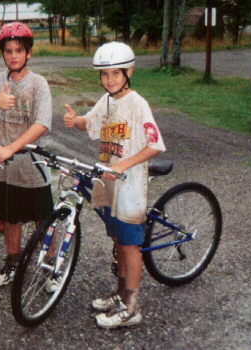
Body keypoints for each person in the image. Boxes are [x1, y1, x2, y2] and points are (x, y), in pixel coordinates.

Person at [63, 41, 166, 328]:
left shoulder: (137, 104)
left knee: (131, 244)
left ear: (129, 72)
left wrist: (122, 165)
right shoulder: (107, 100)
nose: (110, 80)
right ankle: (121, 294)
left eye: (116, 74)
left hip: (129, 183)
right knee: (117, 238)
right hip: (108, 181)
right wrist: (76, 121)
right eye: (105, 74)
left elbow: (155, 144)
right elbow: (91, 123)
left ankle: (131, 306)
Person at [0, 22, 53, 287]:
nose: (14, 55)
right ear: (3, 54)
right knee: (9, 218)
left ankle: (49, 267)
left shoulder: (38, 84)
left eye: (19, 50)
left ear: (29, 53)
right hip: (1, 163)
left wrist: (12, 147)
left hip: (30, 162)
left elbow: (41, 124)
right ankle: (12, 262)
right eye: (8, 51)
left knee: (42, 218)